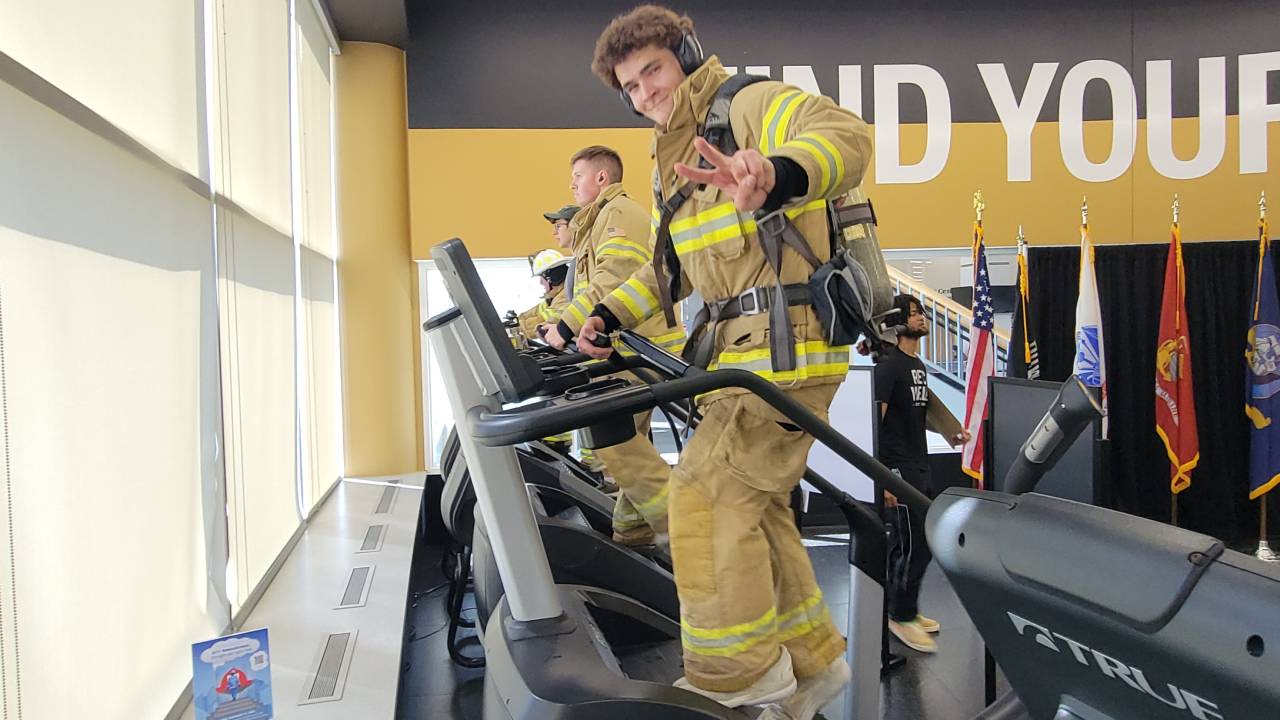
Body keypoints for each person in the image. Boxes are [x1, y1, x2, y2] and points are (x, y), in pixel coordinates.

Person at [574, 6, 872, 717]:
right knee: (757, 510)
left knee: (700, 499)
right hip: (739, 362)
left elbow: (849, 138)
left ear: (685, 54)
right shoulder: (673, 159)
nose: (645, 91)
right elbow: (664, 271)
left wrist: (778, 170)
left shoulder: (747, 104)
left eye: (654, 70)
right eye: (631, 85)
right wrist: (606, 315)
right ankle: (810, 664)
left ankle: (735, 684)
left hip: (786, 358)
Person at [543, 145, 685, 546]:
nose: (572, 186)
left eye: (579, 178)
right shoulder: (597, 221)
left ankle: (685, 525)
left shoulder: (618, 214)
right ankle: (633, 530)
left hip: (644, 347)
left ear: (602, 178)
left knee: (612, 439)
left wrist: (566, 328)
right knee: (627, 443)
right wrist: (560, 324)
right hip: (621, 346)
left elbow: (616, 277)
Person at [874, 293, 968, 655]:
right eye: (914, 315)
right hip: (899, 469)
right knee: (916, 546)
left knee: (908, 543)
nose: (922, 319)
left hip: (919, 463)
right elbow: (876, 424)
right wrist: (882, 479)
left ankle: (902, 610)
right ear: (898, 321)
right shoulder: (888, 367)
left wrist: (950, 430)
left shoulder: (916, 365)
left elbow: (918, 413)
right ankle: (901, 615)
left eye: (922, 313)